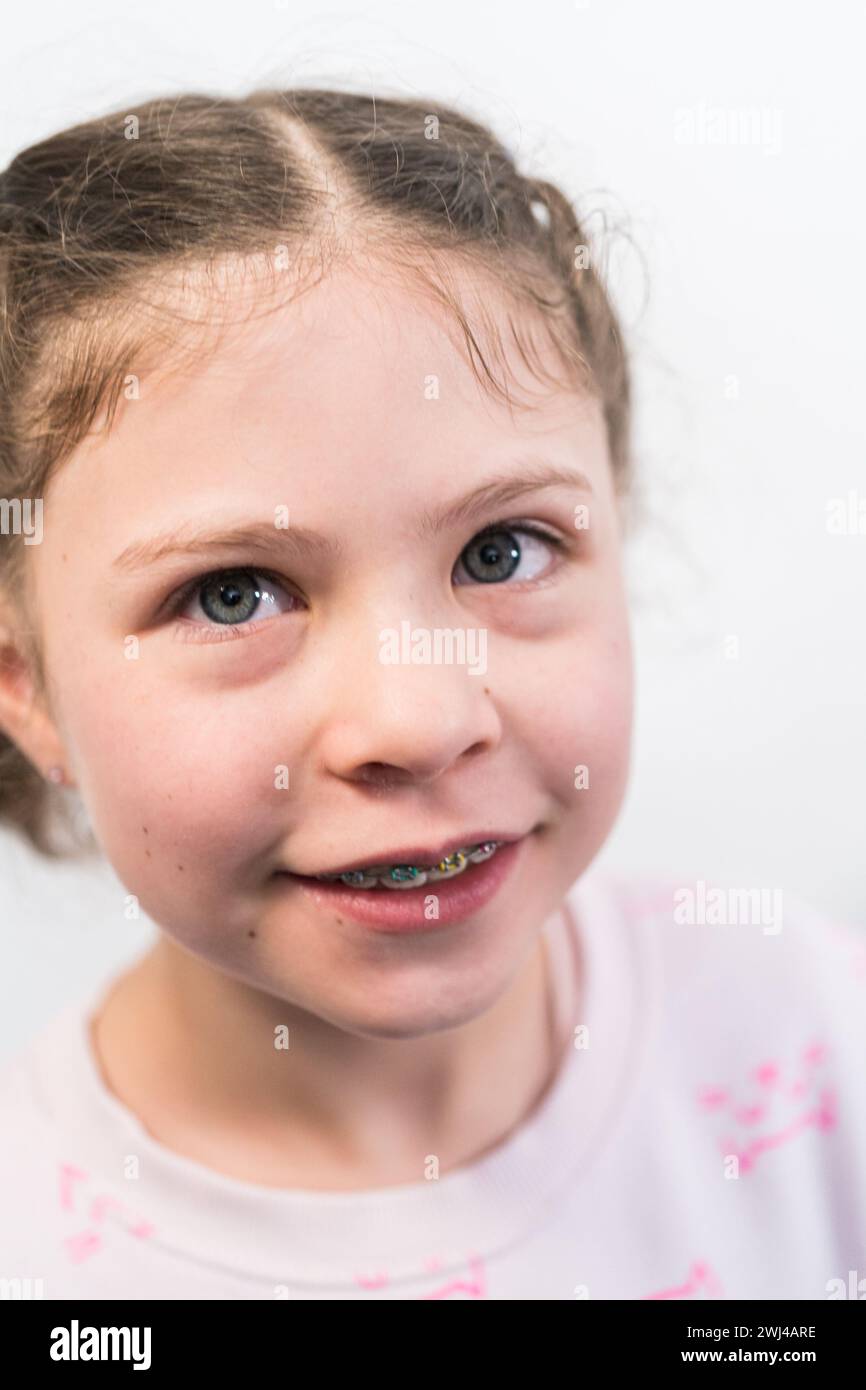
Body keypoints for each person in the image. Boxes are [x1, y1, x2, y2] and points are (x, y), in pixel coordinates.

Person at [0, 87, 862, 1301]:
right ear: (23, 685)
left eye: (500, 552)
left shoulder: (812, 1035)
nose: (418, 721)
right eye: (236, 593)